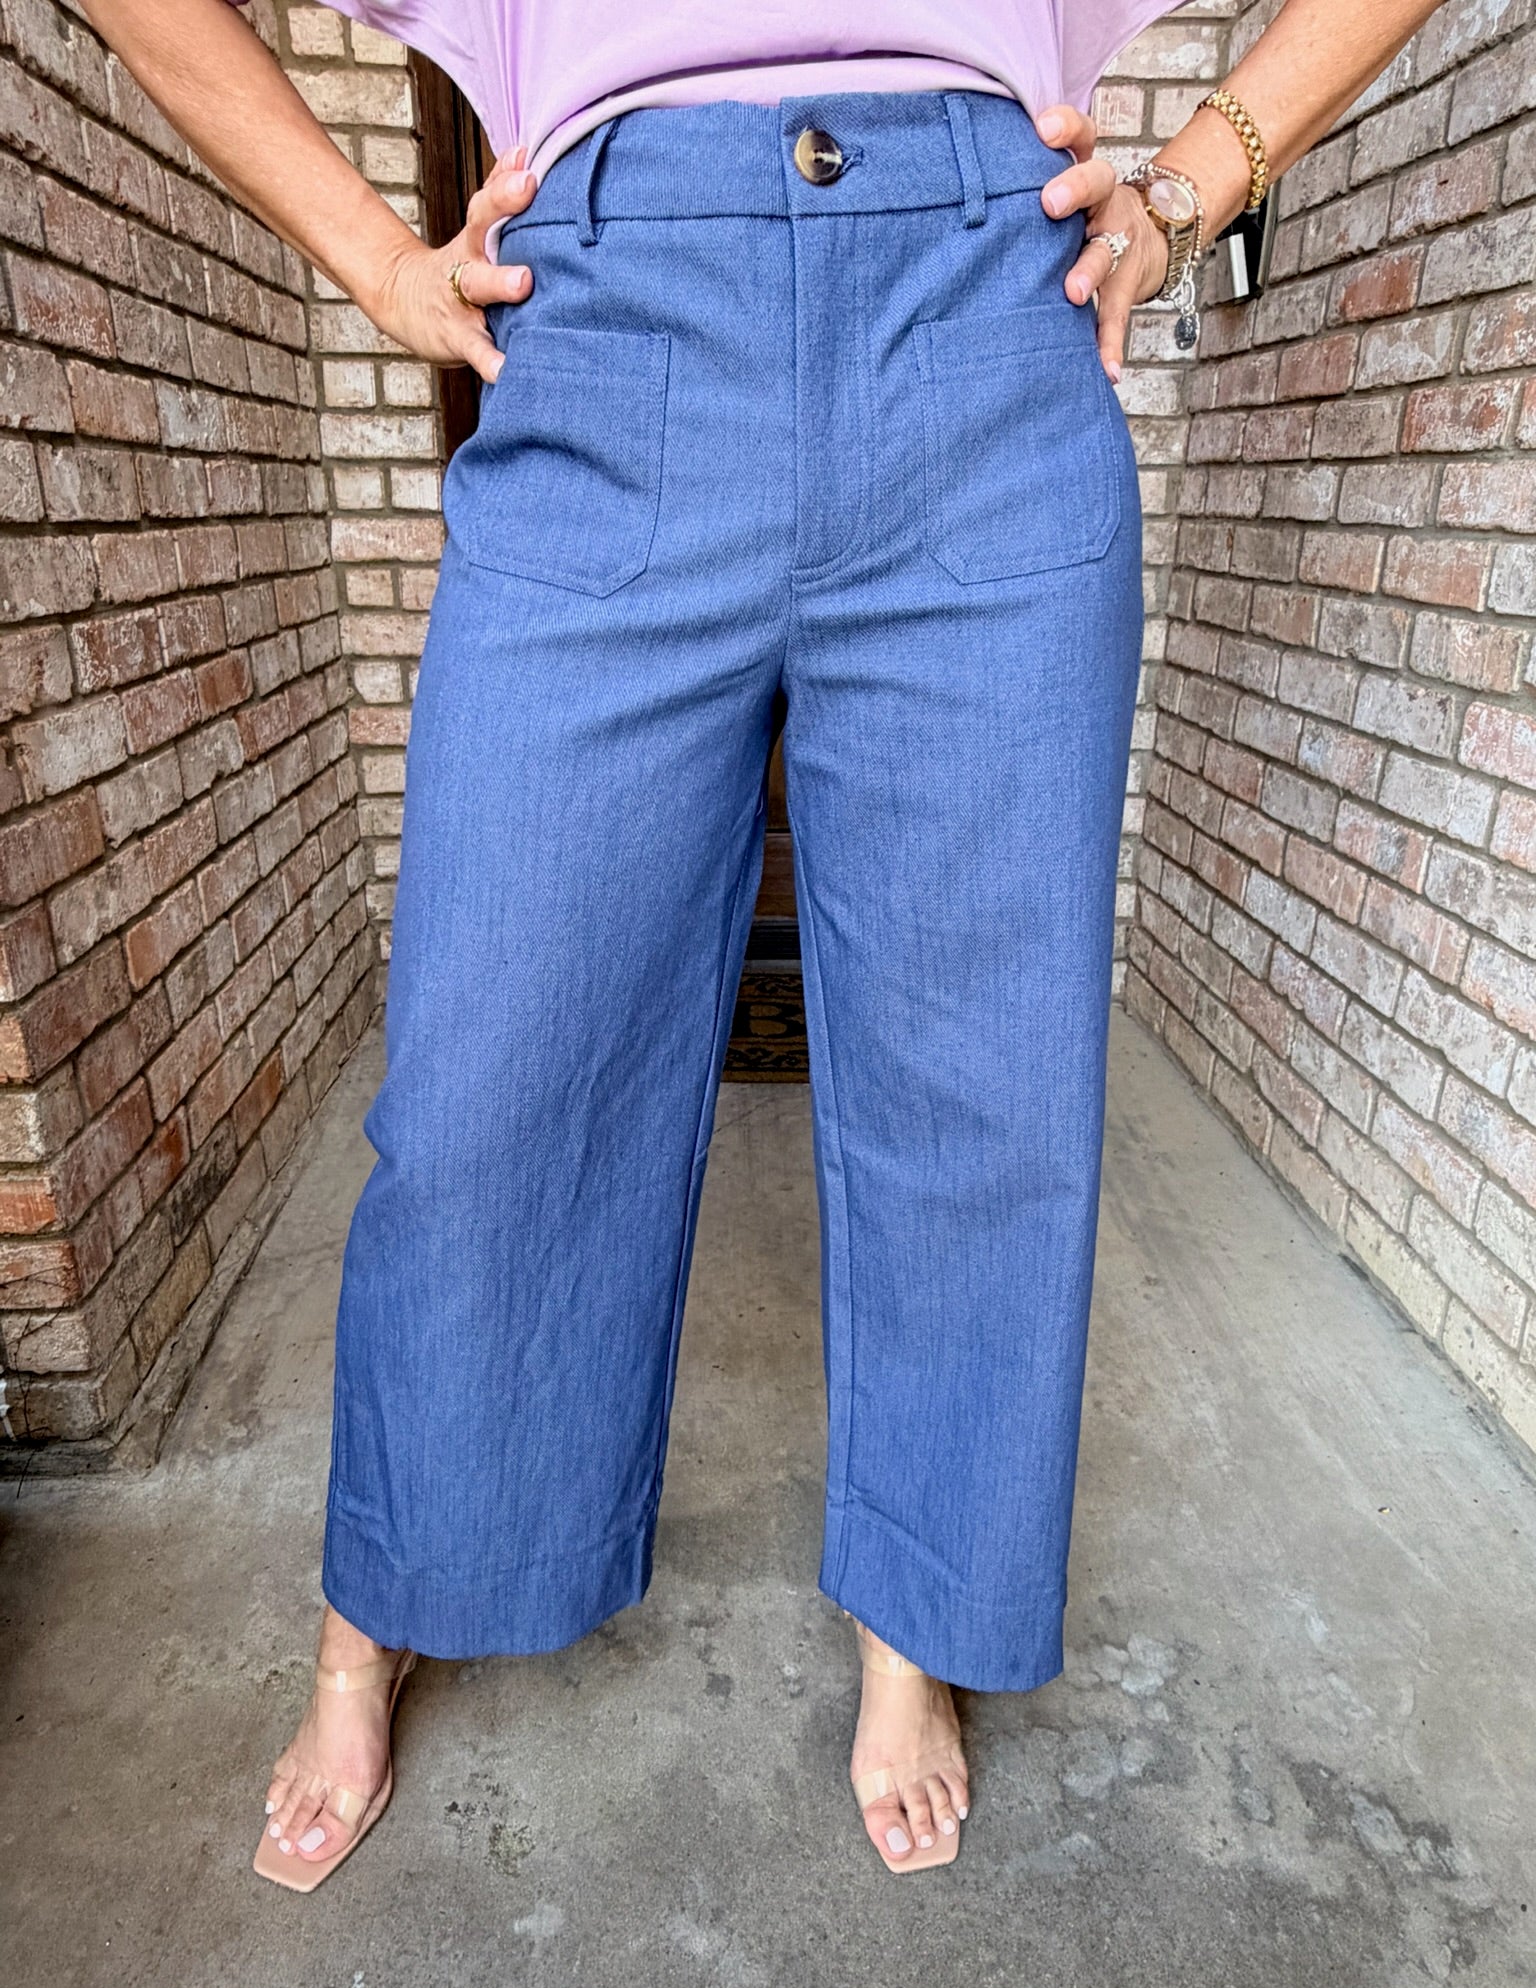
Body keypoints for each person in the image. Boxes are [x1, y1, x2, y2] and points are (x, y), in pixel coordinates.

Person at [83, 0, 1449, 1885]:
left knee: (984, 1087)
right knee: (490, 1078)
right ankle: (385, 1596)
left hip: (981, 325)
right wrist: (380, 265)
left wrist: (1203, 173)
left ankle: (919, 1622)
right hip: (614, 324)